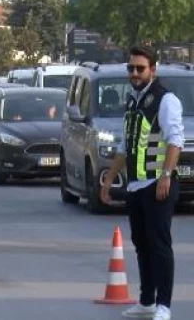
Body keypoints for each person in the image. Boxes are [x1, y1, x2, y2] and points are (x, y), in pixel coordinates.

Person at [100, 46, 184, 320]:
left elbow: (175, 140)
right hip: (136, 187)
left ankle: (164, 305)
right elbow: (126, 145)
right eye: (131, 69)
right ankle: (147, 300)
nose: (134, 73)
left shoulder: (165, 99)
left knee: (160, 245)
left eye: (140, 68)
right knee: (142, 244)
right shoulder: (133, 101)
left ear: (152, 70)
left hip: (157, 185)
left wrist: (166, 176)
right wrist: (109, 179)